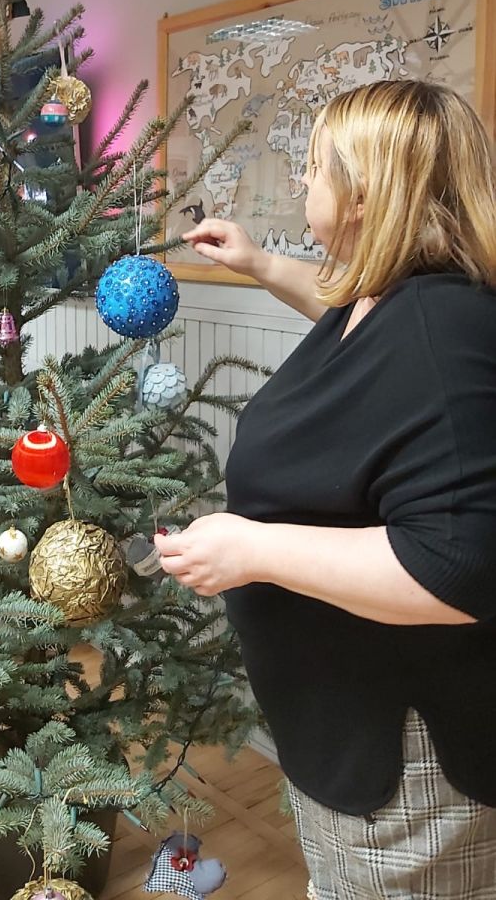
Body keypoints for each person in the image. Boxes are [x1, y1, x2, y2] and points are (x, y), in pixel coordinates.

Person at [156, 79, 496, 899]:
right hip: (351, 735)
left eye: (314, 166)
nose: (303, 180)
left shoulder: (442, 334)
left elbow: (458, 568)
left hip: (411, 772)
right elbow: (359, 326)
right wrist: (260, 263)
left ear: (365, 195)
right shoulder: (398, 297)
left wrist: (253, 550)